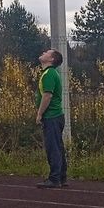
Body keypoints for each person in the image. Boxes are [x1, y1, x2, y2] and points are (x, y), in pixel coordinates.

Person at [34, 48, 68, 188]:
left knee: (52, 148)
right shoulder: (51, 73)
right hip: (56, 116)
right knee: (58, 147)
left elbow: (47, 96)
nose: (43, 53)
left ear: (51, 59)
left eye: (47, 53)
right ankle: (61, 177)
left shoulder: (49, 74)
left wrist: (39, 113)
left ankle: (54, 178)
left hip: (52, 116)